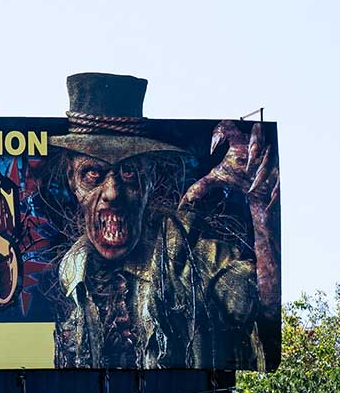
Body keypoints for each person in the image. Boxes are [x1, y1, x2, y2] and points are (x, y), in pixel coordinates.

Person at [50, 73, 280, 370]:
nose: (112, 193)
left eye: (129, 173)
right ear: (72, 180)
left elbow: (263, 308)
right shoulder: (72, 270)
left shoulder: (192, 253)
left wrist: (260, 209)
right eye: (93, 174)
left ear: (149, 179)